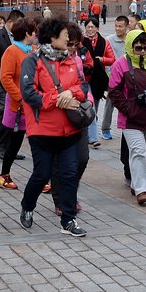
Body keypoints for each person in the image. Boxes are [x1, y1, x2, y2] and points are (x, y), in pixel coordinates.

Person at [16, 18, 92, 237]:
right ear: (52, 37)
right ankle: (28, 206)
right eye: (65, 34)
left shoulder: (69, 60)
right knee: (42, 174)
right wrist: (59, 98)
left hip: (70, 129)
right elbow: (29, 94)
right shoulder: (33, 61)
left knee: (69, 174)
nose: (69, 38)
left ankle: (68, 220)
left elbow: (83, 86)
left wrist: (72, 94)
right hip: (43, 131)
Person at [108, 28, 146, 205]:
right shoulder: (121, 64)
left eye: (145, 47)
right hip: (131, 119)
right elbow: (114, 91)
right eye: (138, 48)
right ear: (130, 47)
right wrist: (129, 109)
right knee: (138, 151)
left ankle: (136, 182)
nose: (143, 51)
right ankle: (143, 189)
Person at [0, 18, 37, 190]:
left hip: (32, 105)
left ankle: (40, 178)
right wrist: (21, 98)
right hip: (18, 106)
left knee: (37, 142)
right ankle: (4, 174)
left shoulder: (32, 51)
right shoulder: (12, 51)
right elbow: (5, 78)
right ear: (27, 34)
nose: (36, 35)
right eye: (34, 32)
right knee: (15, 142)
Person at [0, 9, 23, 157]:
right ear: (10, 22)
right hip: (0, 85)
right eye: (19, 24)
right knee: (4, 114)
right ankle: (0, 147)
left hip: (13, 86)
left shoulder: (17, 38)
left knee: (12, 115)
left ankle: (8, 149)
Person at [81, 17, 115, 149]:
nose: (90, 29)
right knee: (91, 108)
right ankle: (93, 137)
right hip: (85, 78)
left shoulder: (103, 42)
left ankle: (89, 133)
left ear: (97, 28)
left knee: (93, 106)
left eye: (92, 27)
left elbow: (111, 59)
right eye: (88, 27)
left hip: (98, 80)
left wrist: (102, 59)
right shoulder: (81, 41)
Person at [101, 15, 130, 140]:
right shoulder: (109, 40)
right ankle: (105, 128)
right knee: (110, 102)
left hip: (129, 77)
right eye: (116, 26)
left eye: (120, 26)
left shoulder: (130, 40)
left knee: (129, 101)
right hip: (113, 76)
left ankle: (128, 127)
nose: (117, 29)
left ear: (126, 26)